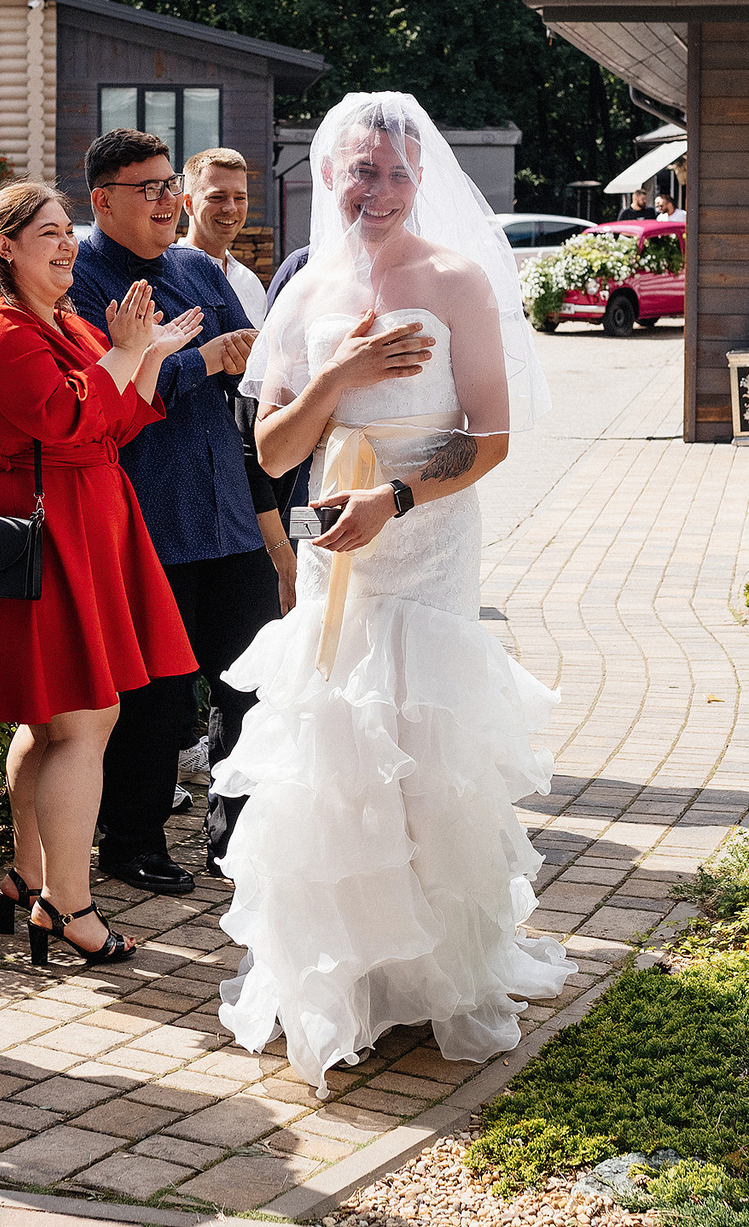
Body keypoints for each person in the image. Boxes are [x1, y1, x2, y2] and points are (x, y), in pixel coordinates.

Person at [213, 90, 572, 1094]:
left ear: (424, 180)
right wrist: (340, 376)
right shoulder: (304, 291)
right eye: (360, 169)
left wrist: (399, 495)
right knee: (334, 742)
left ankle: (433, 972)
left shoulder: (455, 280)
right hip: (336, 543)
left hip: (425, 532)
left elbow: (490, 436)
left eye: (396, 171)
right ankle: (348, 973)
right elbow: (275, 446)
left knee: (421, 747)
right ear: (331, 173)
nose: (376, 189)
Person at [0, 180, 204, 964]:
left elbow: (117, 417)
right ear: (5, 246)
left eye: (67, 232)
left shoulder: (68, 321)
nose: (65, 245)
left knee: (54, 721)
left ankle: (27, 879)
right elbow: (62, 417)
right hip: (46, 528)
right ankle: (67, 902)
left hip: (85, 518)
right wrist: (126, 355)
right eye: (47, 232)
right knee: (84, 720)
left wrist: (146, 356)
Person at [67, 128, 280, 889]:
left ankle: (239, 839)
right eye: (148, 188)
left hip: (225, 512)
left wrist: (245, 357)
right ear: (102, 201)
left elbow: (245, 366)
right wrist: (200, 359)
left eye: (168, 187)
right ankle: (131, 842)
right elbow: (109, 389)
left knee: (250, 686)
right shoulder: (82, 276)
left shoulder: (194, 266)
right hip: (148, 517)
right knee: (153, 698)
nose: (168, 201)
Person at [178, 147, 270, 327]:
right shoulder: (167, 277)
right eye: (217, 197)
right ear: (188, 204)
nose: (231, 208)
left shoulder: (250, 282)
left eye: (240, 198)